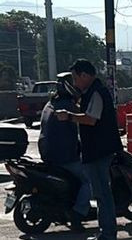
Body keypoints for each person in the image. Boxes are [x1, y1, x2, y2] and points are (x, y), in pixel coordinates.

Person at [56, 59, 123, 240]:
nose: (75, 82)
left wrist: (69, 116)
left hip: (99, 151)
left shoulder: (97, 93)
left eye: (75, 78)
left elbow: (91, 119)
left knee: (103, 194)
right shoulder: (88, 93)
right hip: (94, 150)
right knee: (100, 194)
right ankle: (106, 232)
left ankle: (108, 234)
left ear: (85, 75)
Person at [39, 82, 90, 232]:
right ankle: (78, 212)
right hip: (64, 156)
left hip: (47, 153)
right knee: (89, 180)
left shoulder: (50, 104)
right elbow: (84, 124)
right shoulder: (68, 106)